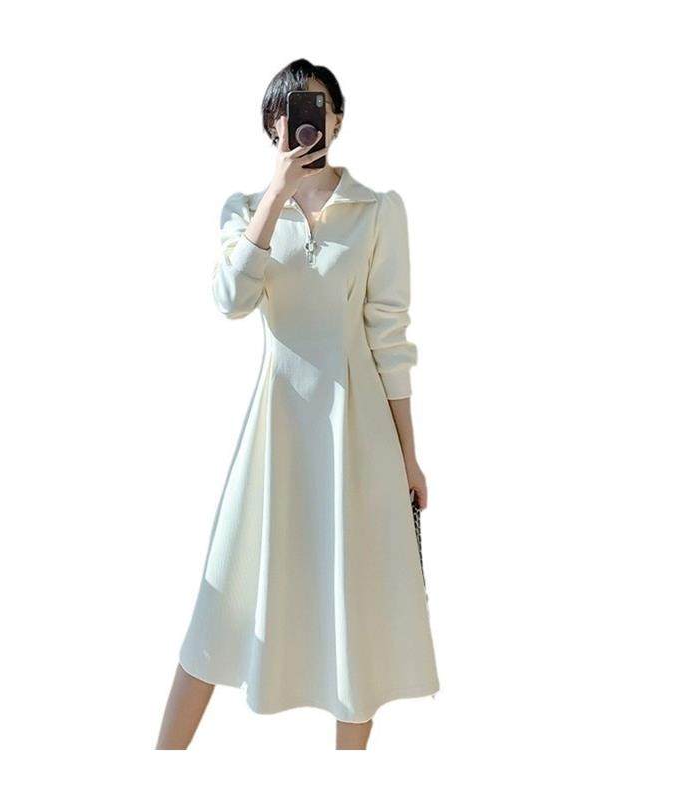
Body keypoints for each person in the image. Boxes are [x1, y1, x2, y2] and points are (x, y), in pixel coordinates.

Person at [157, 59, 439, 751]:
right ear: (271, 124)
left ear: (336, 118)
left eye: (315, 107)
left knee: (356, 618)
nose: (303, 121)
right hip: (276, 434)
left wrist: (409, 456)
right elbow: (231, 300)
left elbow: (389, 336)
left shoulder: (378, 210)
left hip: (358, 435)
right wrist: (277, 194)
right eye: (288, 110)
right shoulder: (243, 209)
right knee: (222, 603)